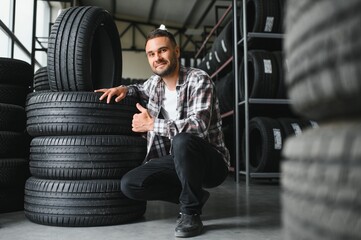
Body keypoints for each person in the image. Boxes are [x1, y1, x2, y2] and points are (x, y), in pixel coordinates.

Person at [95, 25, 230, 238]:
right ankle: (193, 195)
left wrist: (152, 125)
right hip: (177, 160)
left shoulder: (199, 79)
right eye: (151, 54)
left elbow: (199, 126)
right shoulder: (154, 84)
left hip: (210, 163)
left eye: (163, 51)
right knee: (130, 185)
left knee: (183, 140)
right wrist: (124, 89)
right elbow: (138, 88)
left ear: (176, 52)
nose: (157, 57)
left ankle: (190, 213)